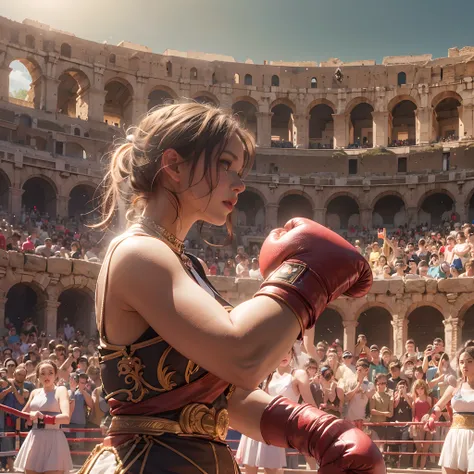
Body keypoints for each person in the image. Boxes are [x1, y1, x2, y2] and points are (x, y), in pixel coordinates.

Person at [78, 103, 382, 474]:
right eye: (225, 164)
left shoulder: (189, 266)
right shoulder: (137, 253)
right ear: (173, 165)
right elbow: (241, 355)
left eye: (239, 171)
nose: (239, 184)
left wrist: (313, 430)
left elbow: (223, 397)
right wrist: (309, 275)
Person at [236, 350, 314, 473]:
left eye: (288, 351)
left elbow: (310, 404)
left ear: (292, 354)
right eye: (281, 351)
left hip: (277, 427)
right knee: (250, 467)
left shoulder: (298, 374)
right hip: (258, 421)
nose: (284, 355)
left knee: (272, 468)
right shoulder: (268, 375)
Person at [14, 360, 73, 473]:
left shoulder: (61, 390)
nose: (47, 376)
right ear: (37, 377)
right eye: (43, 373)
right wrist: (30, 415)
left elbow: (66, 417)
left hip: (54, 439)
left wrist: (44, 417)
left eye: (50, 373)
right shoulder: (35, 392)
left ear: (56, 375)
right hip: (35, 437)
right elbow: (23, 414)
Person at [425, 343, 474, 473]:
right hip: (456, 436)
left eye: (469, 361)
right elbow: (438, 405)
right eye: (462, 362)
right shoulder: (455, 385)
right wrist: (432, 417)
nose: (465, 365)